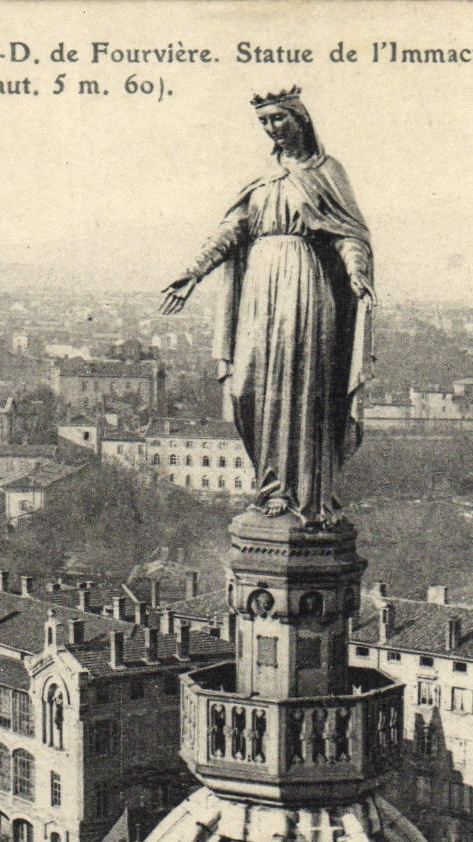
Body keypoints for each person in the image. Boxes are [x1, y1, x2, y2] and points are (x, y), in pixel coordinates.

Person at [160, 87, 374, 522]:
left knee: (305, 387)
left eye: (279, 118)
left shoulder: (327, 171)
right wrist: (193, 273)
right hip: (259, 291)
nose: (272, 128)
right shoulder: (261, 176)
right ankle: (270, 483)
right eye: (264, 121)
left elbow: (349, 233)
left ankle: (308, 493)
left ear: (300, 119)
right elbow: (231, 230)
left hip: (307, 289)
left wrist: (355, 270)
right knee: (251, 387)